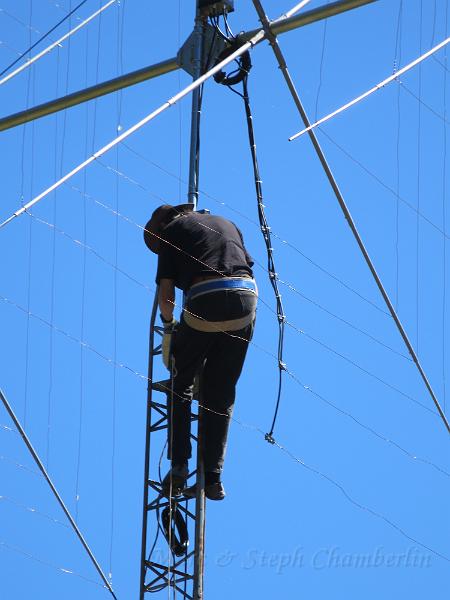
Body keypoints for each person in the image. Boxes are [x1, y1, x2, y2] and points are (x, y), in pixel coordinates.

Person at [144, 203, 257, 500]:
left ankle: (180, 466)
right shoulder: (228, 222)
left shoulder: (170, 232)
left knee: (182, 383)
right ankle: (213, 479)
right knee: (220, 392)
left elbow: (166, 297)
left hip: (206, 298)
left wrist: (169, 328)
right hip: (246, 301)